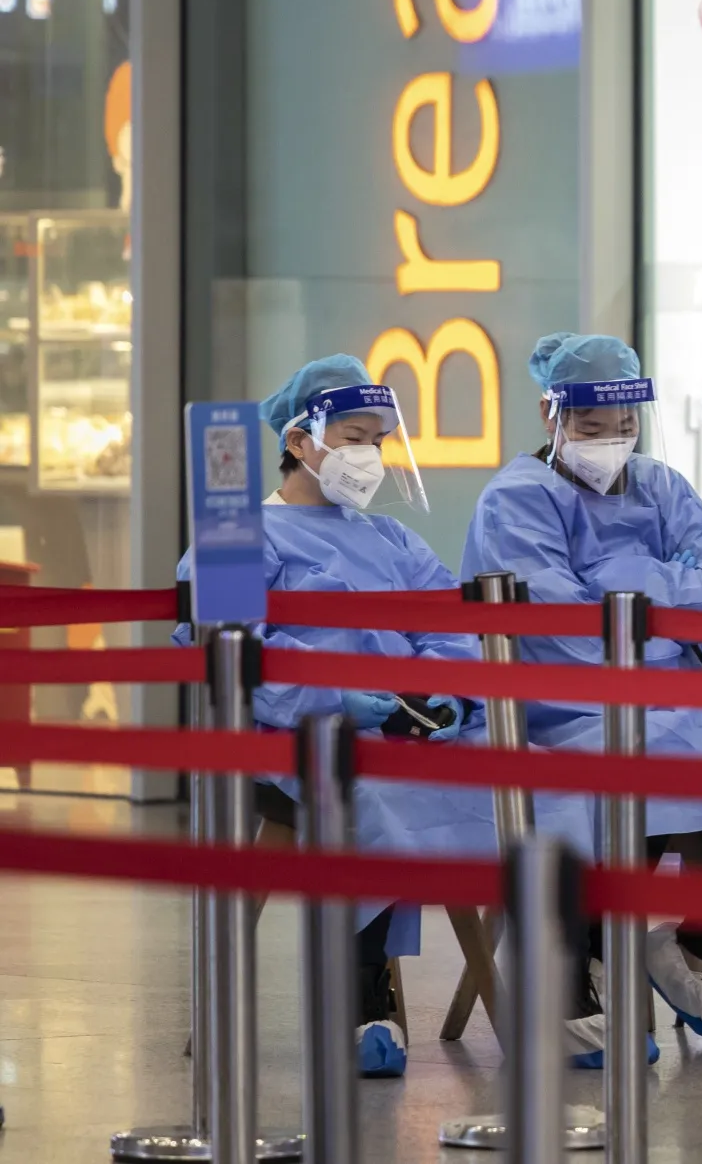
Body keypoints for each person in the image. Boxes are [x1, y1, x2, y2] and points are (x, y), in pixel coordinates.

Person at [173, 354, 557, 1078]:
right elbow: (236, 651)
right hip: (297, 737)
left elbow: (445, 630)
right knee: (370, 794)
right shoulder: (236, 537)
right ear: (298, 440)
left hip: (403, 730)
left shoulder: (393, 540)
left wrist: (443, 697)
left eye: (377, 442)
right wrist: (338, 701)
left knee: (518, 778)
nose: (366, 457)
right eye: (352, 437)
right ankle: (361, 995)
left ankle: (564, 987)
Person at [460, 332, 702, 1049]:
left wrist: (627, 593)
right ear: (551, 415)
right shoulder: (517, 499)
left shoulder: (661, 485)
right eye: (592, 428)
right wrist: (658, 595)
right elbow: (566, 632)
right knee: (617, 773)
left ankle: (690, 948)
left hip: (677, 701)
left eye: (624, 428)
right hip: (563, 709)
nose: (611, 442)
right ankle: (579, 967)